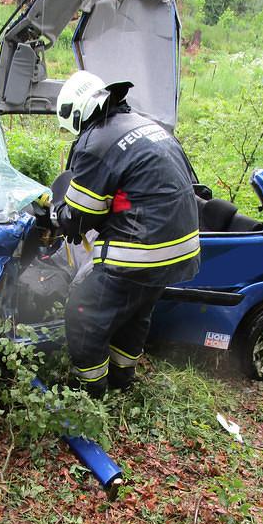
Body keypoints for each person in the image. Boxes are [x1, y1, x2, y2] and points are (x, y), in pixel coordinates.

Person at [51, 70, 200, 397]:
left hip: (141, 252)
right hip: (179, 249)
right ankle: (122, 379)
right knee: (135, 312)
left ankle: (89, 391)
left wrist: (57, 208)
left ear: (76, 114)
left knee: (84, 312)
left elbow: (78, 219)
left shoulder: (96, 141)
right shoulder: (145, 124)